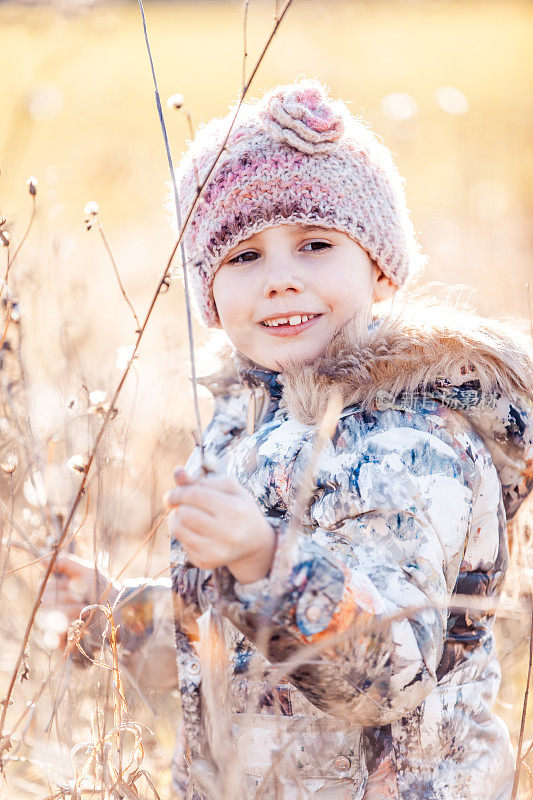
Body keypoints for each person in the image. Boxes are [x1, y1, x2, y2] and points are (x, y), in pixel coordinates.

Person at [43, 79, 533, 799]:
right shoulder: (247, 424)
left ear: (379, 266)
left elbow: (385, 674)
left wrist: (264, 560)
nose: (279, 280)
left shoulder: (409, 442)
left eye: (314, 244)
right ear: (209, 296)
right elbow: (234, 662)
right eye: (243, 257)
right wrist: (123, 618)